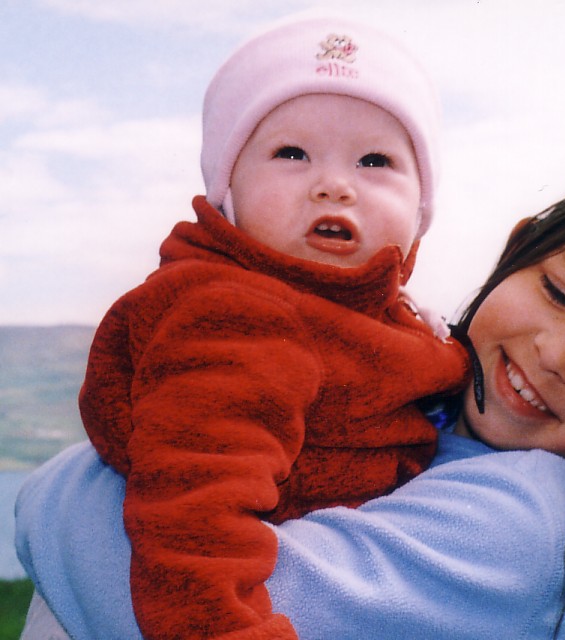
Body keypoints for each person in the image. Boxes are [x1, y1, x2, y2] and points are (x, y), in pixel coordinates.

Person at [16, 154, 565, 639]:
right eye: (555, 291)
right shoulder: (425, 405)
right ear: (517, 250)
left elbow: (150, 593)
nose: (555, 353)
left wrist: (53, 490)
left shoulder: (531, 525)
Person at [69, 14, 469, 640]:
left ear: (420, 213)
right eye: (291, 153)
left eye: (375, 160)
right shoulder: (235, 318)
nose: (333, 185)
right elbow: (193, 524)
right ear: (228, 190)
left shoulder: (375, 315)